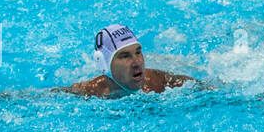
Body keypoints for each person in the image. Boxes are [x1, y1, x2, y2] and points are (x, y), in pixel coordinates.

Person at [61, 24, 199, 97]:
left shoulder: (160, 83)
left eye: (138, 52)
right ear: (104, 64)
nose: (137, 62)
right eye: (125, 56)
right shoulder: (91, 92)